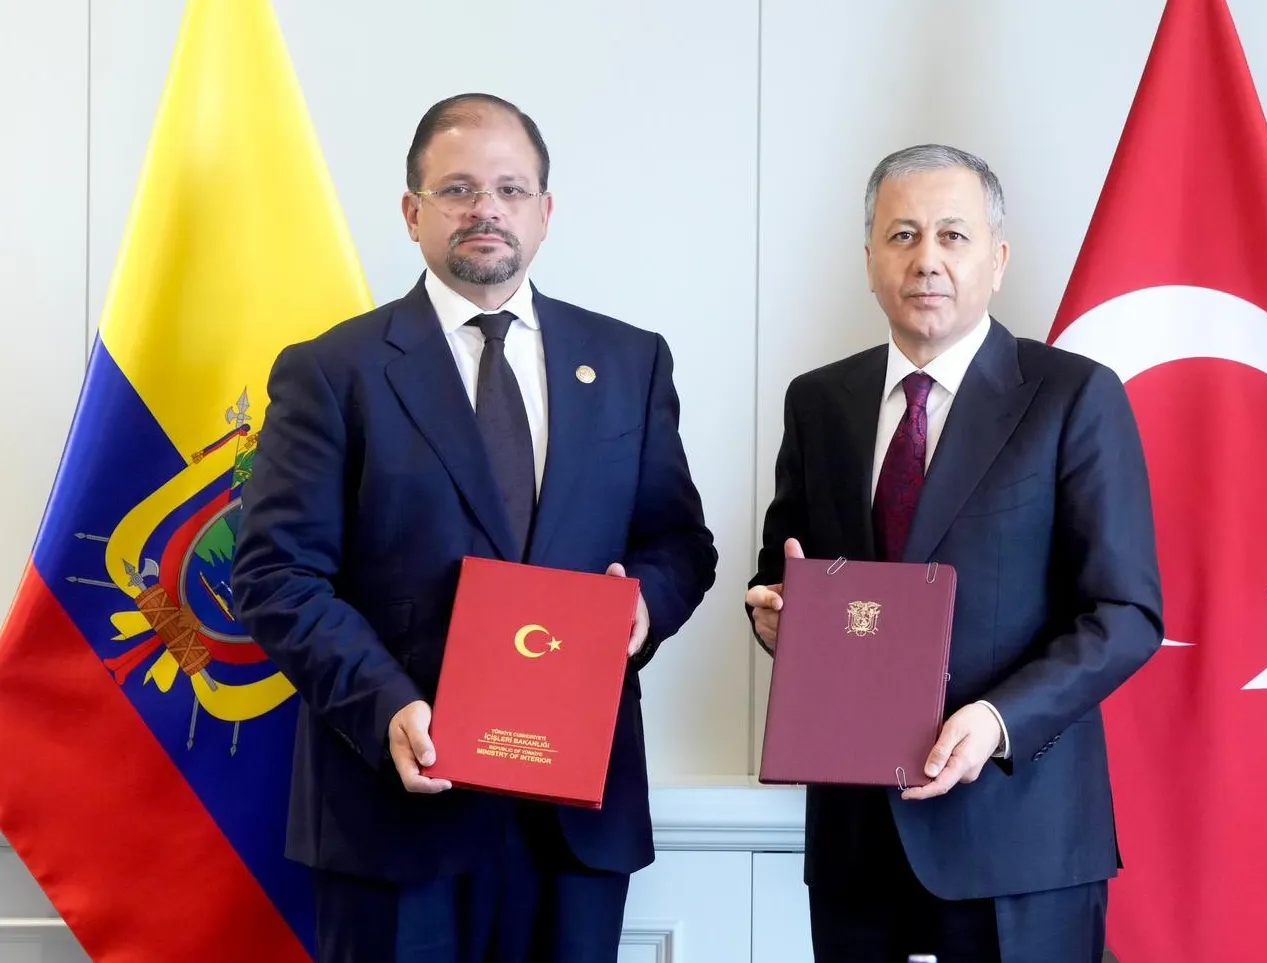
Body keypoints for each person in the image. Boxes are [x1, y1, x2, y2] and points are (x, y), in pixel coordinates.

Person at [232, 92, 717, 963]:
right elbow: (276, 574)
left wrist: (641, 608)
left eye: (510, 189)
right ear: (412, 212)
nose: (485, 209)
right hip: (394, 808)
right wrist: (386, 705)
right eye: (457, 189)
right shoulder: (332, 371)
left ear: (545, 212)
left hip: (576, 817)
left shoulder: (628, 361)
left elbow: (679, 542)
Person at [745, 144, 1164, 962]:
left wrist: (997, 721)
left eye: (952, 235)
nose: (926, 259)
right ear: (869, 258)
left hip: (1018, 832)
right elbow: (783, 569)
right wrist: (774, 617)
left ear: (997, 260)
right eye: (901, 235)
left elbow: (1124, 613)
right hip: (857, 841)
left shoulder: (1072, 396)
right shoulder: (818, 401)